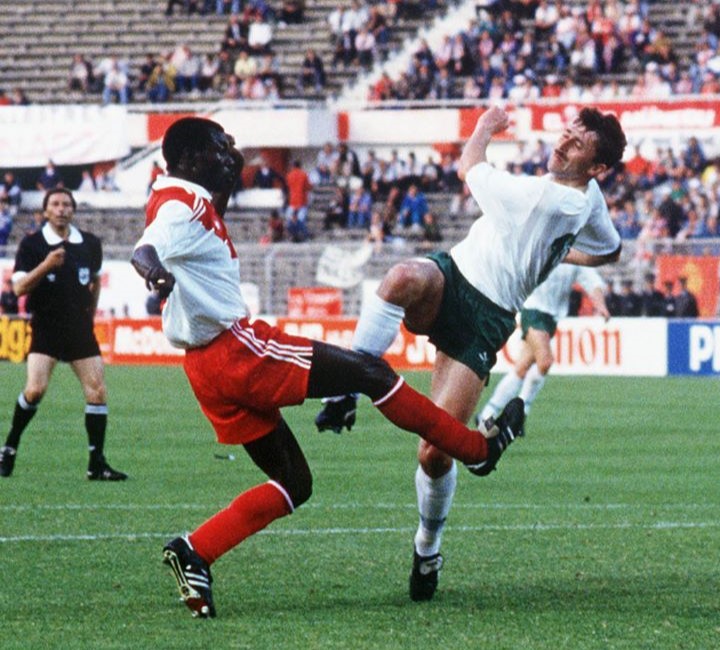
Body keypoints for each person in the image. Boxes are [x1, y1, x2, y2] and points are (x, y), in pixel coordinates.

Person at [131, 117, 526, 619]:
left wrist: (227, 172)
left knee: (294, 482)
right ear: (189, 158)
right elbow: (146, 249)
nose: (231, 154)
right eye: (220, 147)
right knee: (370, 373)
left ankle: (195, 551)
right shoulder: (180, 204)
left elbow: (191, 230)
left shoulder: (186, 195)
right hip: (237, 351)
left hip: (206, 368)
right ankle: (477, 450)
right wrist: (155, 274)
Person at [314, 105, 625, 602]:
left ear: (598, 167)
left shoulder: (548, 199)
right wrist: (561, 252)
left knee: (435, 453)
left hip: (486, 318)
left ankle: (427, 547)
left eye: (577, 144)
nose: (563, 143)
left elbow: (469, 166)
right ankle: (347, 391)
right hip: (453, 276)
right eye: (567, 132)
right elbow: (611, 249)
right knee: (401, 278)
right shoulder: (588, 198)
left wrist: (484, 126)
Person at [0, 189, 127, 481]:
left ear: (73, 210)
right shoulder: (33, 244)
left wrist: (90, 316)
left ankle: (96, 464)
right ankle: (9, 447)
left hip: (79, 328)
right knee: (35, 390)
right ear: (46, 211)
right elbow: (19, 288)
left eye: (66, 204)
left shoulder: (90, 243)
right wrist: (46, 265)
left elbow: (94, 281)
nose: (61, 209)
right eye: (55, 204)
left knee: (97, 391)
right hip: (46, 326)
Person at [478, 264, 610, 423]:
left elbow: (593, 282)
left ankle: (487, 413)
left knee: (522, 367)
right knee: (545, 361)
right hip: (533, 310)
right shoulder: (547, 250)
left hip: (551, 318)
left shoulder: (576, 257)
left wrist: (600, 305)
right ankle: (521, 412)